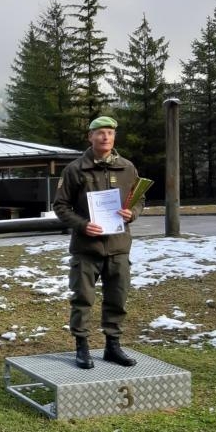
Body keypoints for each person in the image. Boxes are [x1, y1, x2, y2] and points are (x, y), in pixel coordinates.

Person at [53, 116, 143, 369]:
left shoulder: (127, 167)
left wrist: (132, 213)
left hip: (118, 247)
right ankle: (82, 347)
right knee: (83, 298)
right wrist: (82, 224)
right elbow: (60, 206)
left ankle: (112, 346)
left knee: (117, 298)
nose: (105, 137)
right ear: (90, 137)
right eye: (100, 133)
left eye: (110, 133)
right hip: (87, 249)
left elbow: (138, 200)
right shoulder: (75, 169)